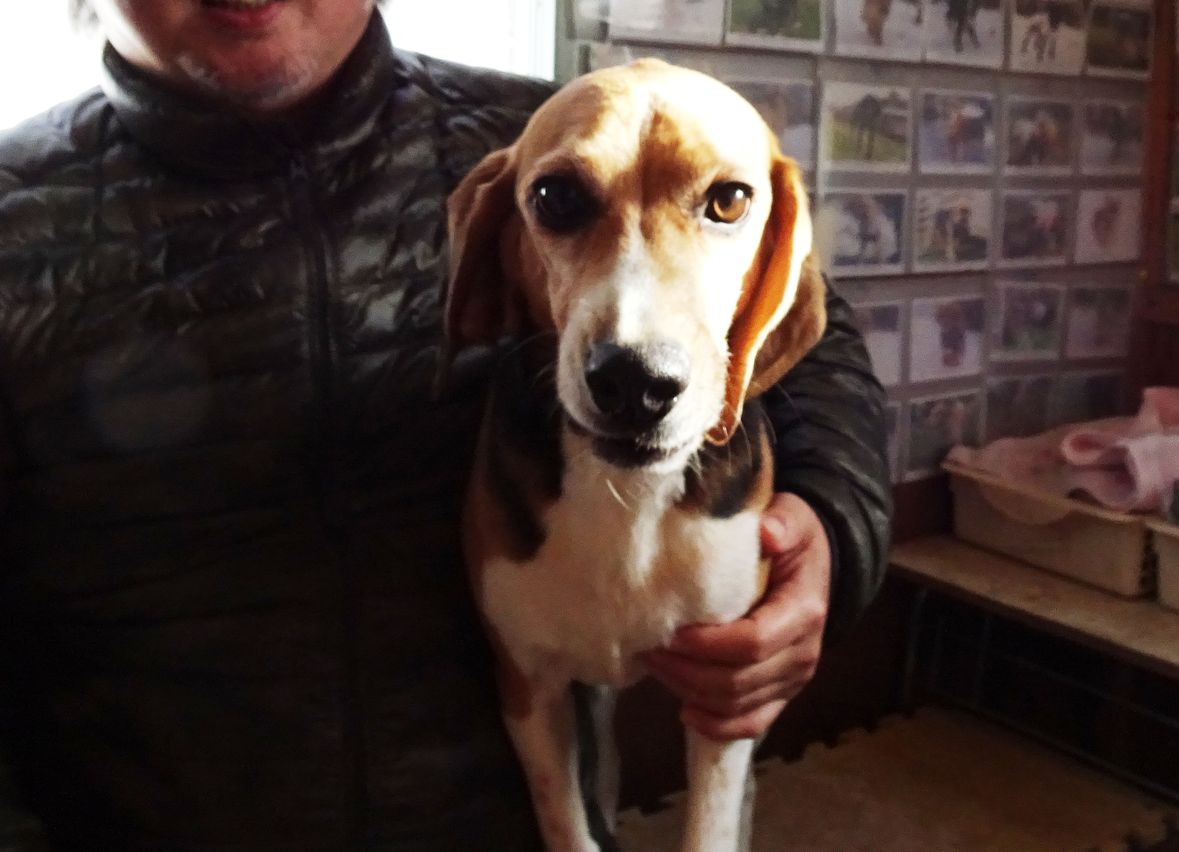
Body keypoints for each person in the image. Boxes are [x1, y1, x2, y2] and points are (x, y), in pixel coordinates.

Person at [0, 1, 891, 849]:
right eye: (564, 206)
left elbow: (811, 336)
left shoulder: (553, 127)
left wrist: (830, 527)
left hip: (525, 828)